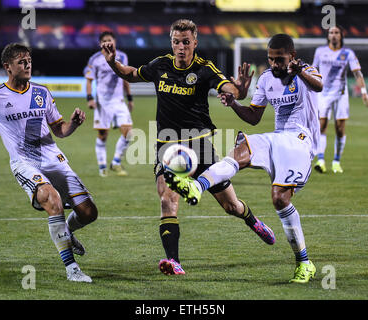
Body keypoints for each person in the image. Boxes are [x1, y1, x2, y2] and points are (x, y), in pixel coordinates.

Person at [101, 19, 275, 275]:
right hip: (167, 146)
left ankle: (252, 220)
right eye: (176, 42)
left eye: (185, 42)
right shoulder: (160, 65)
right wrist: (111, 62)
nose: (180, 47)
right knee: (167, 199)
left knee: (231, 206)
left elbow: (229, 89)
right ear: (171, 43)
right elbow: (130, 73)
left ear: (195, 43)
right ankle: (174, 261)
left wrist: (239, 89)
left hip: (200, 145)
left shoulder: (204, 69)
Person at [165, 34, 322, 283]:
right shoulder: (267, 79)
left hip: (300, 141)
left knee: (280, 200)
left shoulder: (307, 70)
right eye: (270, 59)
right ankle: (196, 186)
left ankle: (304, 262)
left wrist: (299, 70)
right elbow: (254, 117)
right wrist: (234, 103)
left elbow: (318, 86)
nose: (274, 64)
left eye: (279, 60)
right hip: (277, 137)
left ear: (291, 56)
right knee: (240, 151)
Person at [0, 43, 98, 282]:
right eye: (21, 61)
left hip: (53, 159)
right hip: (24, 163)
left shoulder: (41, 92)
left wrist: (73, 124)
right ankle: (72, 269)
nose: (28, 64)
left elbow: (59, 130)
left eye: (29, 60)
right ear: (7, 67)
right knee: (53, 199)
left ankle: (67, 232)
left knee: (89, 212)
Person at [313, 25, 368, 174]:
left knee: (340, 128)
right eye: (331, 32)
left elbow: (357, 74)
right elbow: (313, 71)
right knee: (321, 125)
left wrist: (364, 92)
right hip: (323, 94)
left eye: (337, 32)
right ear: (328, 36)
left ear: (341, 36)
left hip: (341, 94)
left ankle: (336, 161)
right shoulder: (320, 52)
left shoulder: (347, 53)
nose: (334, 35)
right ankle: (321, 160)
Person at [84, 31, 134, 177]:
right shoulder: (94, 59)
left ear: (114, 42)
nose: (107, 42)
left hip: (119, 101)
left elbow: (126, 77)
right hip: (102, 102)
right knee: (103, 135)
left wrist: (130, 98)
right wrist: (90, 98)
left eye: (109, 40)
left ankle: (116, 162)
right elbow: (89, 80)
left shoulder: (122, 56)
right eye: (104, 40)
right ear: (100, 43)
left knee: (128, 133)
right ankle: (102, 167)